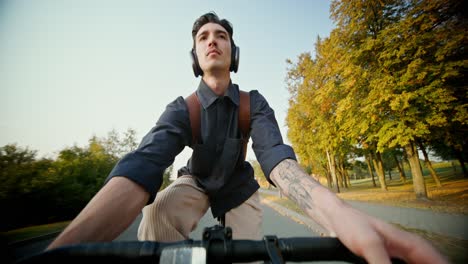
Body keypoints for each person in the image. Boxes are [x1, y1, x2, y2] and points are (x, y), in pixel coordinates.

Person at [47, 12, 448, 264]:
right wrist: (60, 252)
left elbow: (279, 162)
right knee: (156, 214)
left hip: (240, 188)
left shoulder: (253, 103)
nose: (211, 40)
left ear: (232, 51)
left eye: (219, 34)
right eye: (203, 37)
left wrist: (340, 215)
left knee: (250, 255)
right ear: (195, 56)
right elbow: (142, 166)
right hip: (196, 180)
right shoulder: (180, 108)